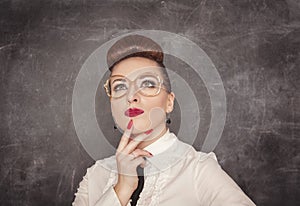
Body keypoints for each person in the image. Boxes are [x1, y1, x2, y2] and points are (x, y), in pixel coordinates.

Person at [72, 35, 256, 206]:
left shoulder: (197, 169)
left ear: (169, 102)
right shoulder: (96, 174)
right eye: (120, 86)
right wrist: (123, 187)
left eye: (148, 84)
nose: (131, 96)